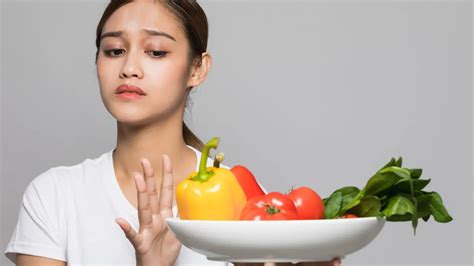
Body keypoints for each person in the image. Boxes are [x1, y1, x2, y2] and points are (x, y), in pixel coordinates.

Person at [4, 0, 342, 265]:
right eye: (114, 51)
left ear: (197, 69)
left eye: (156, 52)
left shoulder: (248, 202)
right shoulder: (53, 197)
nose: (129, 69)